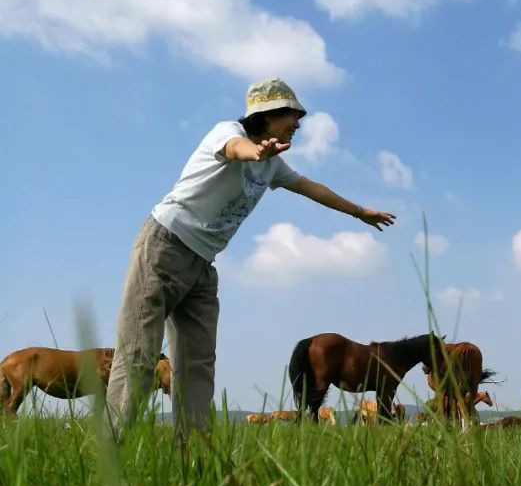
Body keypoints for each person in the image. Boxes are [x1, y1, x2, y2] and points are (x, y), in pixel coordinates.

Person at [105, 78, 396, 440]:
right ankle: (110, 450)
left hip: (202, 265)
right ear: (267, 115)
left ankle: (192, 456)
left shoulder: (274, 166)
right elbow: (234, 148)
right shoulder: (228, 132)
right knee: (139, 354)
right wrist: (255, 152)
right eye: (293, 115)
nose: (298, 123)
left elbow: (312, 188)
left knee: (197, 365)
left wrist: (360, 212)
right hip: (163, 247)